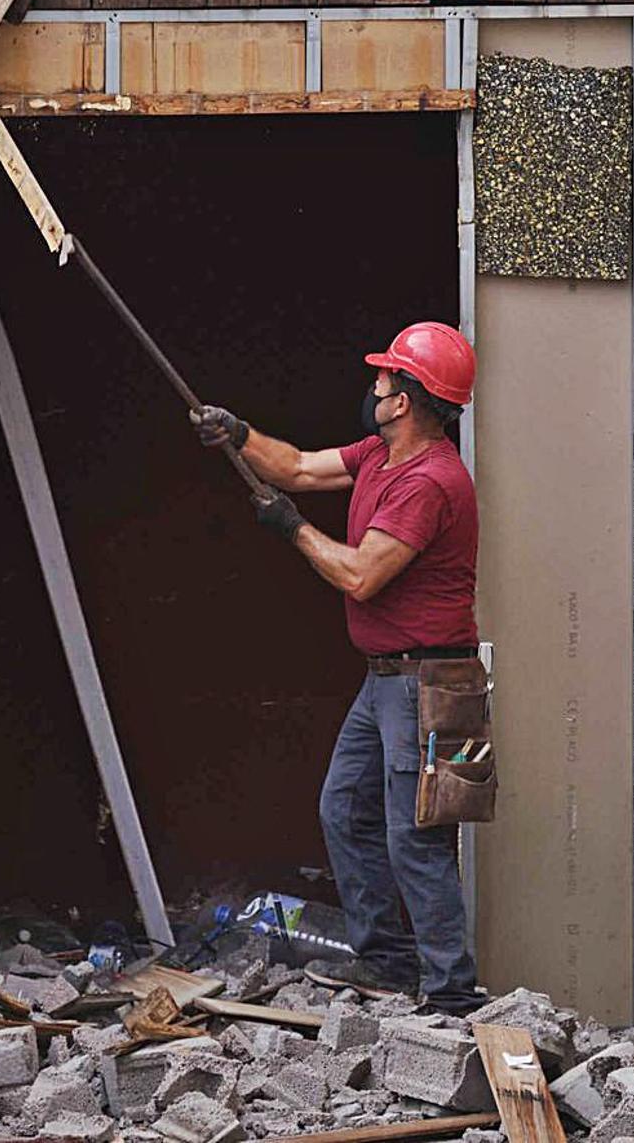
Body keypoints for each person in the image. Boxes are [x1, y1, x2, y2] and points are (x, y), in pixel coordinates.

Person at [195, 320, 485, 1014]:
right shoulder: (381, 456)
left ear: (405, 400)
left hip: (429, 684)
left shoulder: (431, 481)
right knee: (344, 811)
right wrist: (239, 433)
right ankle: (387, 962)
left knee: (416, 838)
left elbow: (360, 575)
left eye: (385, 377)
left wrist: (292, 528)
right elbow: (295, 465)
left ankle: (450, 993)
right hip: (385, 679)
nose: (374, 385)